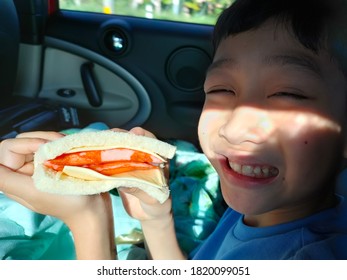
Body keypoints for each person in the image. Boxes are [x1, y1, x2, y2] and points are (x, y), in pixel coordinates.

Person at [1, 0, 347, 259]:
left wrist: (89, 218)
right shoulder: (260, 209)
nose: (235, 129)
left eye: (287, 94)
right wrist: (156, 216)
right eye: (222, 90)